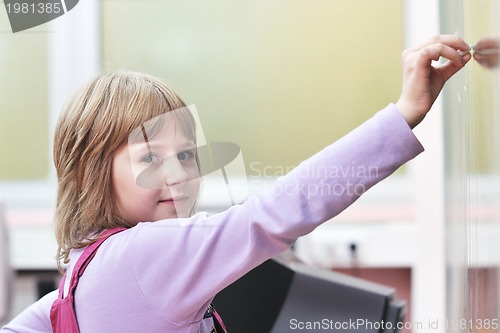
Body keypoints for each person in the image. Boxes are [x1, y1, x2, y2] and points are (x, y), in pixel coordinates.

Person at [1, 35, 471, 333]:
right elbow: (275, 212)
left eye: (186, 154)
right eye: (150, 158)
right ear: (89, 172)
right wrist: (404, 114)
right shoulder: (144, 253)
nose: (179, 173)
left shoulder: (82, 270)